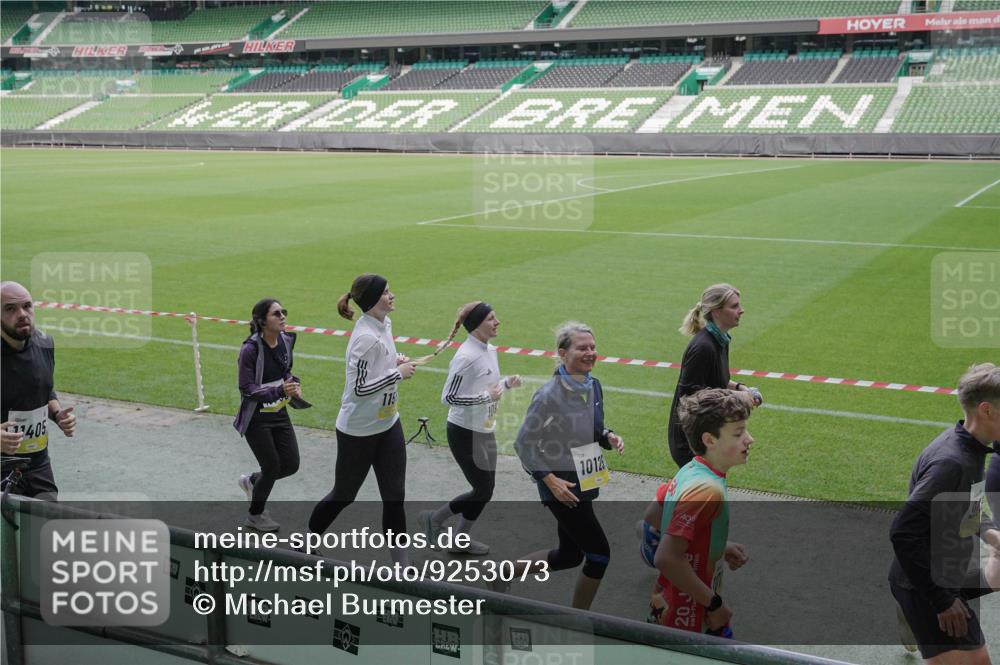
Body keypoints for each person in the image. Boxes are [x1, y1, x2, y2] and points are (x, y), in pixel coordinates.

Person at [889, 363, 1000, 665]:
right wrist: (941, 600)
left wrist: (993, 537)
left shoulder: (974, 447)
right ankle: (914, 609)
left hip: (943, 571)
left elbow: (970, 507)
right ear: (987, 410)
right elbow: (903, 532)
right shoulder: (951, 462)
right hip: (929, 584)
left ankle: (910, 609)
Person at [511, 321, 624, 610]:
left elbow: (593, 428)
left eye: (593, 347)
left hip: (585, 476)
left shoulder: (593, 385)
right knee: (599, 554)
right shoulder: (548, 395)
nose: (590, 353)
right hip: (562, 485)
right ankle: (578, 617)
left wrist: (607, 436)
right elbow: (523, 443)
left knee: (569, 555)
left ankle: (498, 573)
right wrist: (550, 480)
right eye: (582, 348)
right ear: (562, 353)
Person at [307, 274, 415, 564]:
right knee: (344, 494)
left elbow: (375, 371)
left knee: (395, 496)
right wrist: (396, 374)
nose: (392, 296)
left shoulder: (384, 324)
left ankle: (401, 567)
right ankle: (308, 540)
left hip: (389, 423)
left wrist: (393, 362)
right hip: (358, 431)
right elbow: (358, 390)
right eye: (386, 292)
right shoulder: (365, 338)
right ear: (372, 301)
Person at [419, 301, 522, 555]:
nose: (497, 322)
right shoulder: (465, 357)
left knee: (486, 490)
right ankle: (434, 518)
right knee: (483, 488)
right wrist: (486, 398)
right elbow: (448, 397)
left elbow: (488, 385)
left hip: (485, 429)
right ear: (477, 325)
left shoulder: (490, 350)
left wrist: (506, 384)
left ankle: (458, 539)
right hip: (464, 432)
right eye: (491, 318)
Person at [647, 388, 752, 637]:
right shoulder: (708, 490)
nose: (749, 439)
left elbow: (653, 515)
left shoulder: (692, 469)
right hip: (690, 614)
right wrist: (714, 603)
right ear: (710, 440)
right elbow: (666, 558)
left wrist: (714, 545)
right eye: (738, 433)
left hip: (670, 601)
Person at [667, 284, 762, 469]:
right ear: (717, 312)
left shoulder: (720, 340)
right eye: (734, 306)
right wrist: (736, 397)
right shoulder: (703, 347)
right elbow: (690, 396)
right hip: (691, 443)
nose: (741, 310)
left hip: (707, 437)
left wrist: (741, 388)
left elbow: (718, 380)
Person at [233, 298, 307, 532]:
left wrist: (294, 384)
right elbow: (246, 388)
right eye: (276, 314)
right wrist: (278, 390)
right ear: (262, 321)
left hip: (280, 413)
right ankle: (255, 516)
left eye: (283, 312)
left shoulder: (286, 340)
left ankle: (254, 482)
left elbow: (286, 372)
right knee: (272, 466)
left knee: (291, 464)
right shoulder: (250, 349)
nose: (283, 316)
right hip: (257, 418)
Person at [1, 281, 76, 500]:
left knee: (47, 518)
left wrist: (57, 414)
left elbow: (45, 389)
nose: (22, 314)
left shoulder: (45, 343)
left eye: (27, 306)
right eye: (10, 309)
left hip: (37, 462)